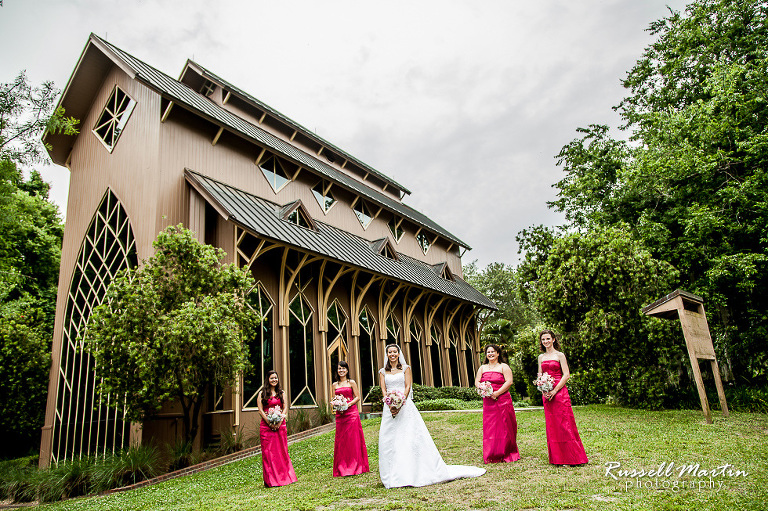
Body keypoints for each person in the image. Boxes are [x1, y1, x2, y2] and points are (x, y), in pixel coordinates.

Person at [378, 344, 485, 488]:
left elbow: (408, 386)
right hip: (388, 407)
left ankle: (412, 471)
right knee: (390, 439)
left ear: (398, 354)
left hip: (404, 405)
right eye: (390, 352)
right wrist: (390, 403)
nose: (392, 354)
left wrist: (400, 402)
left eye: (395, 352)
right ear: (387, 354)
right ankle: (392, 473)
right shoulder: (383, 371)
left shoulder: (405, 368)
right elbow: (383, 389)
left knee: (408, 437)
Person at [538, 330, 588, 466]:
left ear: (553, 339)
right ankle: (558, 458)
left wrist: (555, 390)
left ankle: (572, 457)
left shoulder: (560, 355)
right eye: (543, 339)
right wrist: (542, 389)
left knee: (565, 424)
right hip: (547, 393)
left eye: (548, 338)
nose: (546, 341)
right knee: (552, 426)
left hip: (559, 392)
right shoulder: (541, 357)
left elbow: (566, 375)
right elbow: (540, 374)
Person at [475, 344, 520, 463]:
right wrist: (482, 388)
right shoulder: (482, 368)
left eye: (493, 352)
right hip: (488, 401)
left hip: (503, 400)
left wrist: (497, 393)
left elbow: (509, 382)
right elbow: (477, 381)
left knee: (505, 426)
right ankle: (492, 453)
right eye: (488, 352)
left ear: (498, 353)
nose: (490, 354)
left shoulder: (503, 367)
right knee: (490, 427)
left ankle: (506, 452)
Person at [257, 370, 298, 486]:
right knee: (268, 453)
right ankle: (270, 480)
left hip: (280, 425)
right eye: (272, 378)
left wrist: (279, 421)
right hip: (266, 426)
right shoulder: (262, 393)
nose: (274, 380)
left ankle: (284, 476)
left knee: (281, 451)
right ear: (267, 380)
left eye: (276, 378)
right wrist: (269, 423)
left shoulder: (281, 392)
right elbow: (260, 410)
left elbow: (285, 408)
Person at [331, 360, 370, 477]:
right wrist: (337, 405)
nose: (341, 371)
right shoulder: (334, 385)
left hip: (351, 414)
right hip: (340, 415)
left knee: (353, 440)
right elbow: (333, 399)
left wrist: (347, 404)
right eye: (339, 369)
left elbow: (358, 397)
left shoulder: (351, 382)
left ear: (347, 370)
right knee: (342, 440)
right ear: (337, 371)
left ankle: (356, 465)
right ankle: (342, 466)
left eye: (343, 368)